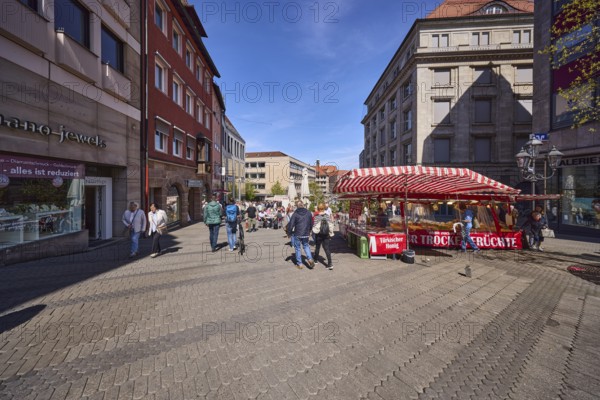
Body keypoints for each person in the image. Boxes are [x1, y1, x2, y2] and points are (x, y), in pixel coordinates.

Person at [287, 200, 315, 269]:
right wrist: (310, 230)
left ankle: (300, 264)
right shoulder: (308, 212)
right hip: (306, 233)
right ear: (303, 205)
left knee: (298, 248)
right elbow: (311, 222)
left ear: (297, 206)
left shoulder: (295, 213)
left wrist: (289, 233)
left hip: (298, 233)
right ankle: (310, 259)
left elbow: (291, 224)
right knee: (306, 246)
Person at [313, 203, 334, 270]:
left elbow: (315, 226)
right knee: (327, 249)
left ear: (318, 209)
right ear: (324, 208)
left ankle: (315, 260)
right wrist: (331, 233)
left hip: (319, 234)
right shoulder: (327, 216)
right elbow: (331, 225)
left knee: (317, 247)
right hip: (326, 235)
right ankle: (330, 264)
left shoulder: (317, 217)